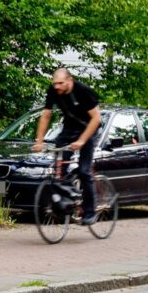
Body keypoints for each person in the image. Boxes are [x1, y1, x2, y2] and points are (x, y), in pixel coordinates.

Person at [33, 67, 102, 225]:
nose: (57, 86)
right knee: (59, 169)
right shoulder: (53, 91)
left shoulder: (83, 91)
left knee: (84, 171)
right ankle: (66, 200)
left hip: (89, 129)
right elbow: (46, 116)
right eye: (55, 83)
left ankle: (90, 212)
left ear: (69, 81)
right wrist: (39, 141)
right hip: (69, 129)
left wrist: (82, 141)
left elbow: (96, 119)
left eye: (60, 83)